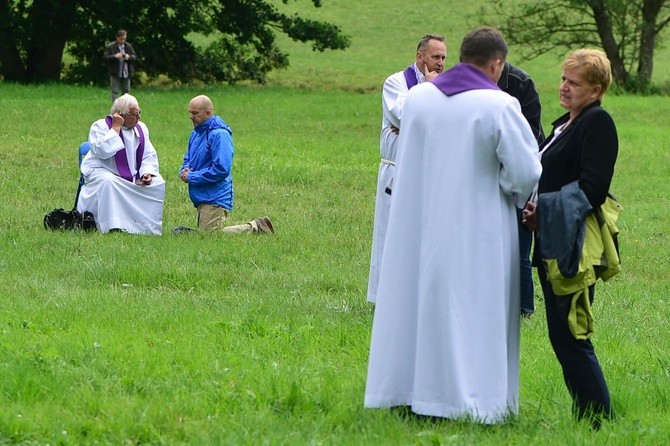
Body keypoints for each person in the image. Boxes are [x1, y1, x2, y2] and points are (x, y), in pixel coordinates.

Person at [364, 27, 542, 422]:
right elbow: (526, 171)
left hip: (419, 221)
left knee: (418, 302)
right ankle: (469, 400)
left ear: (461, 57)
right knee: (471, 309)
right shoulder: (500, 106)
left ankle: (407, 391)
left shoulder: (420, 99)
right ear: (497, 65)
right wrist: (511, 191)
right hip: (476, 228)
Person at [522, 49, 618, 428]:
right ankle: (587, 415)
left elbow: (593, 187)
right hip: (552, 239)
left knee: (573, 335)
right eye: (563, 79)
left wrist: (542, 210)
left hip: (573, 245)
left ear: (595, 90)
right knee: (562, 337)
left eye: (573, 83)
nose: (564, 87)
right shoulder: (567, 121)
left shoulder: (598, 123)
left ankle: (599, 420)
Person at [367, 34, 447, 304]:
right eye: (435, 57)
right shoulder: (396, 82)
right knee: (391, 234)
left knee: (423, 236)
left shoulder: (445, 87)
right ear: (419, 56)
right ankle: (385, 297)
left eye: (444, 58)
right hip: (396, 170)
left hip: (427, 170)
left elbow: (444, 124)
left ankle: (418, 297)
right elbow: (403, 114)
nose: (440, 63)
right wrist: (425, 92)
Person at [178, 95, 274, 235]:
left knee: (210, 235)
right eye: (190, 112)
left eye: (195, 113)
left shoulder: (219, 135)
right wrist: (184, 170)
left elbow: (221, 169)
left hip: (215, 194)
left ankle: (256, 227)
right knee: (205, 234)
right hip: (202, 193)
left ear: (208, 113)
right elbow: (188, 158)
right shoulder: (196, 133)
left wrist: (191, 176)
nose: (191, 117)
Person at [77, 94, 165, 235]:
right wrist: (116, 128)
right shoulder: (100, 126)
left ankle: (146, 227)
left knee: (157, 183)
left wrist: (146, 172)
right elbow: (102, 151)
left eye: (139, 113)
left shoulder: (142, 128)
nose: (139, 118)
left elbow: (148, 155)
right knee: (109, 182)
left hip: (133, 173)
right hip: (101, 170)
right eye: (134, 115)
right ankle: (112, 226)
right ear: (120, 115)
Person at [498, 62, 545, 317]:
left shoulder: (520, 83)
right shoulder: (471, 83)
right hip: (490, 174)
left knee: (519, 244)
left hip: (522, 172)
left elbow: (531, 136)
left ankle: (524, 307)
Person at [104, 30, 137, 103]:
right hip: (115, 72)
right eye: (121, 39)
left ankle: (124, 107)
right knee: (115, 91)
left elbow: (134, 57)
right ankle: (115, 107)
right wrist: (115, 56)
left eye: (124, 39)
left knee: (126, 92)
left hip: (126, 72)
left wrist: (128, 57)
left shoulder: (128, 46)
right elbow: (105, 57)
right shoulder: (110, 47)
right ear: (117, 37)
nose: (123, 41)